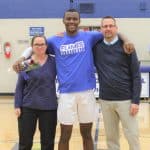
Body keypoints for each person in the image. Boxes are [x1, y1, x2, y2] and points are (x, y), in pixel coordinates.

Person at [13, 9, 135, 150]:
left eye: (74, 19)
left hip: (87, 93)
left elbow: (112, 32)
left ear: (79, 21)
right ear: (63, 21)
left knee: (87, 135)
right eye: (69, 19)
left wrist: (127, 40)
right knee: (65, 135)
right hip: (66, 94)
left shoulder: (89, 36)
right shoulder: (54, 40)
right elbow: (36, 46)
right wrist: (22, 60)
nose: (71, 21)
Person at [93, 16, 141, 150]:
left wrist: (135, 101)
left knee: (132, 136)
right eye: (105, 26)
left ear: (116, 28)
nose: (108, 28)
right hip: (105, 100)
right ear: (101, 29)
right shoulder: (96, 47)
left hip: (126, 100)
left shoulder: (127, 47)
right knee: (111, 139)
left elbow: (136, 75)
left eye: (111, 26)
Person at [14, 35, 57, 150]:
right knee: (25, 142)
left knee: (48, 143)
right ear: (32, 47)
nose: (39, 47)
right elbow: (19, 86)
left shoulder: (54, 62)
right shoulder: (29, 63)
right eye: (36, 44)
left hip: (49, 108)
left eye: (42, 44)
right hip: (28, 107)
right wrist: (17, 105)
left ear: (46, 46)